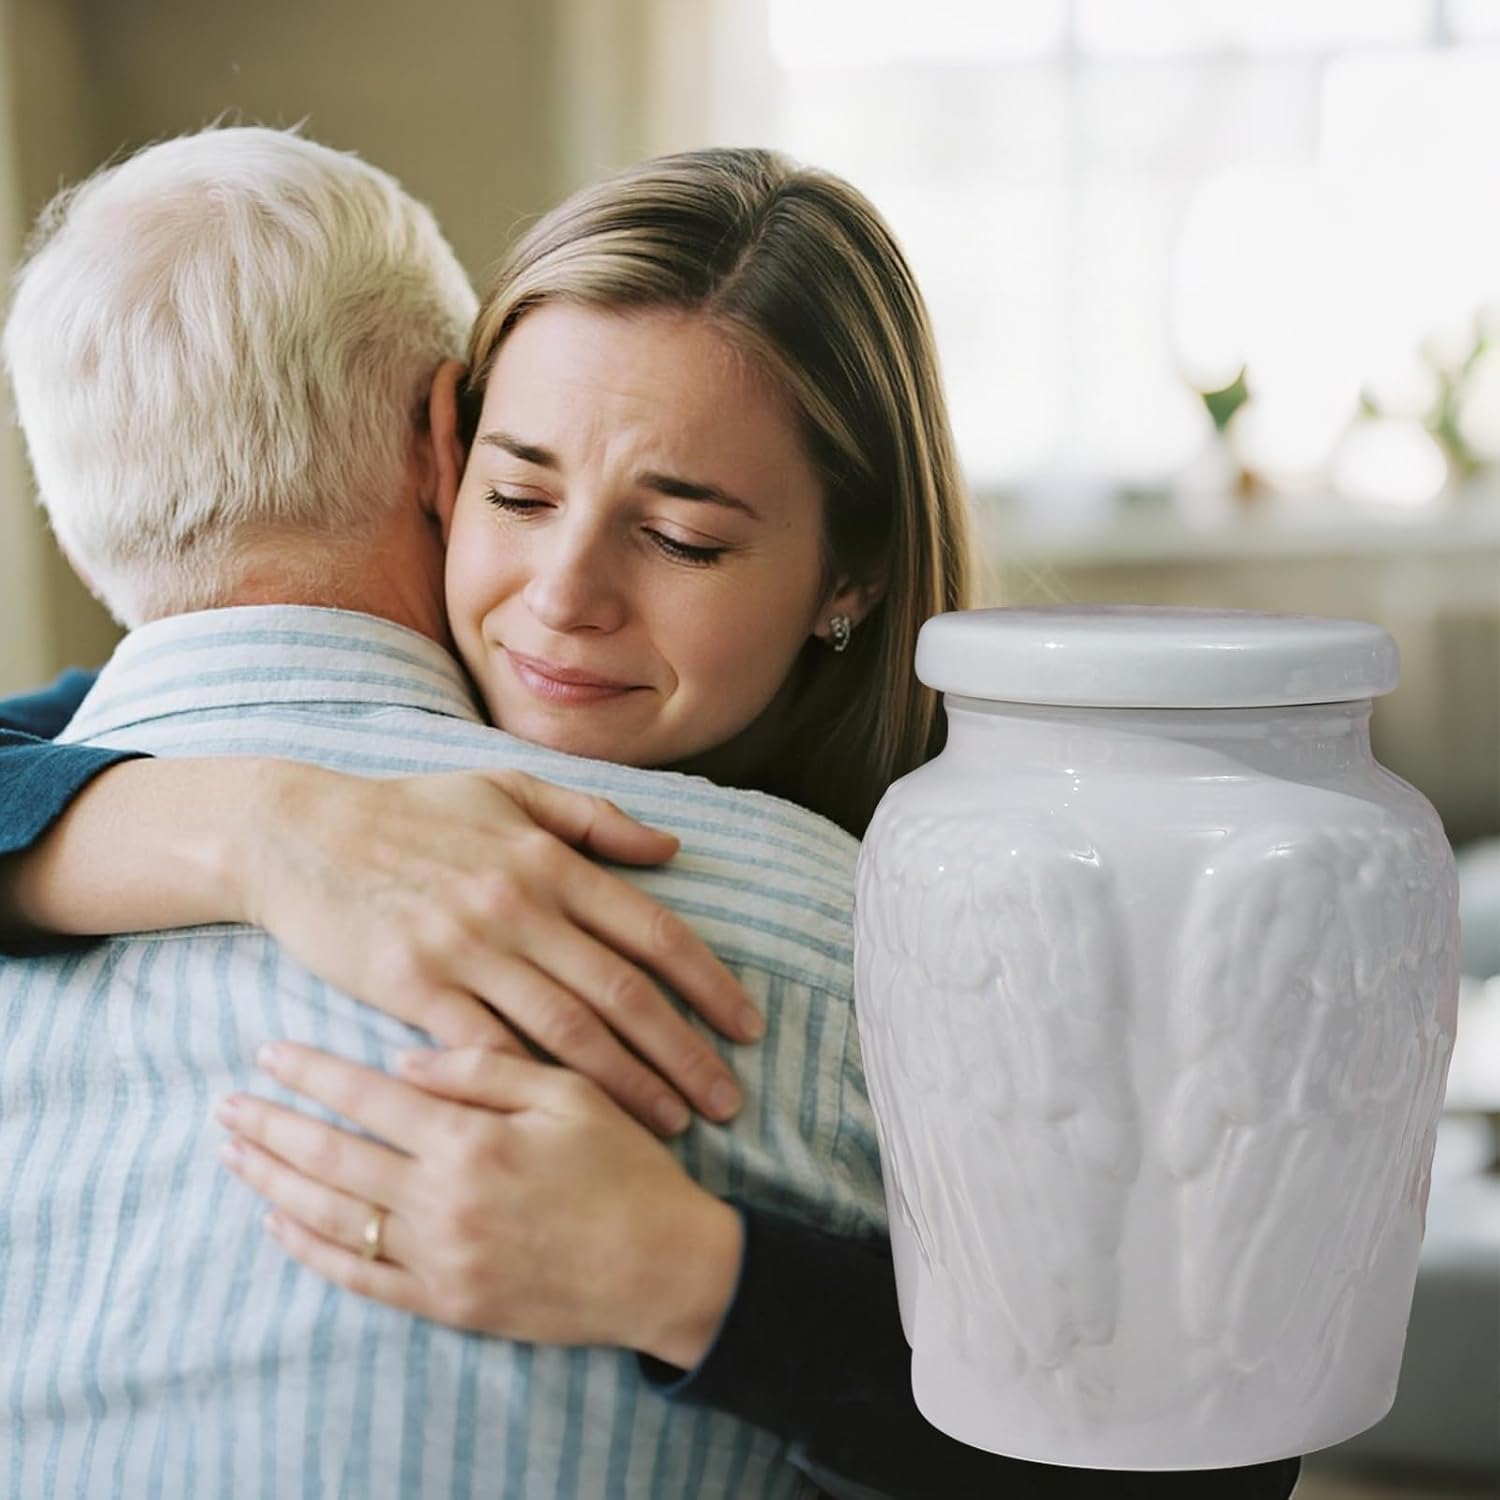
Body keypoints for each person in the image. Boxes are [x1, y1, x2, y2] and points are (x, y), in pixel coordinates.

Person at [0, 129, 1301, 1499]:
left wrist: (695, 1281)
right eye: (518, 492)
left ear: (848, 575)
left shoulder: (966, 925)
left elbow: (1214, 1453)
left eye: (684, 536)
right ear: (443, 449)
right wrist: (254, 829)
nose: (564, 596)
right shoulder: (163, 773)